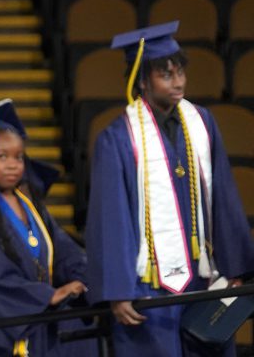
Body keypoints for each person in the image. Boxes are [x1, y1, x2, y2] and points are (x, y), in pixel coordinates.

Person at [85, 21, 254, 356]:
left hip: (203, 277)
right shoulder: (118, 138)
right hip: (148, 287)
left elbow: (224, 196)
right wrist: (118, 290)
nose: (178, 81)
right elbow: (111, 219)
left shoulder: (202, 123)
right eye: (166, 74)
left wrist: (236, 266)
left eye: (179, 72)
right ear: (143, 81)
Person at [0, 99, 93, 357]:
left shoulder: (31, 206)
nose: (12, 164)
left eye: (18, 157)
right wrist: (45, 296)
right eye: (2, 156)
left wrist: (83, 276)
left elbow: (62, 249)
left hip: (37, 323)